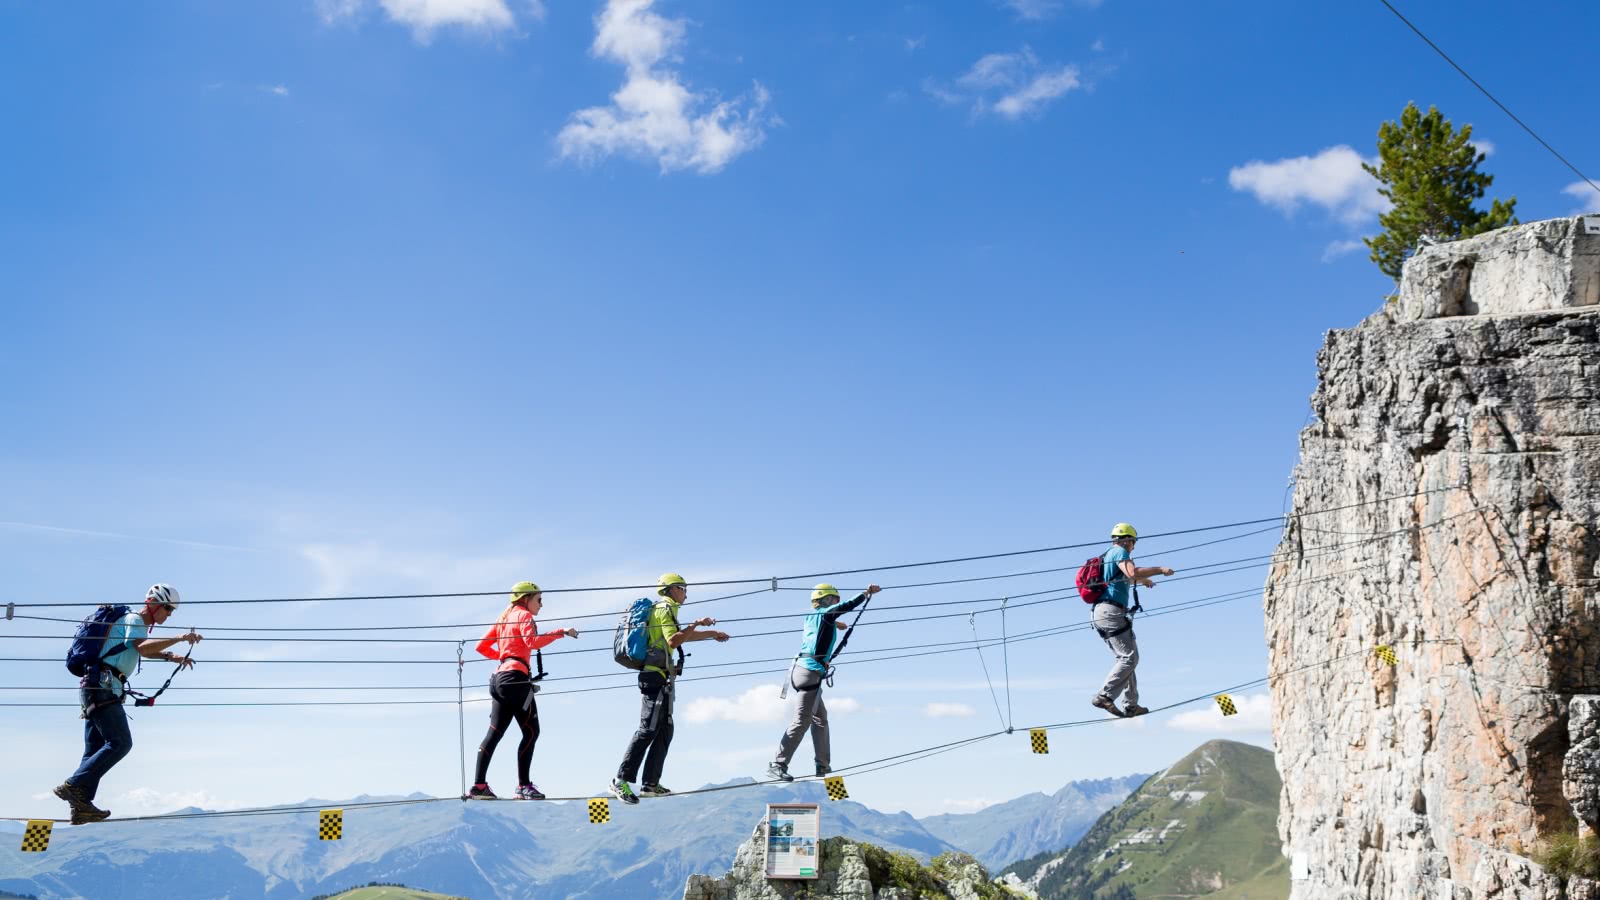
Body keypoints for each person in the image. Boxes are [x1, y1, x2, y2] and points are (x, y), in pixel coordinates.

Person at [55, 584, 202, 824]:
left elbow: (139, 648)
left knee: (94, 749)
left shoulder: (136, 625)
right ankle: (73, 785)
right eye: (168, 609)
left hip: (95, 687)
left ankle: (81, 805)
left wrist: (170, 656)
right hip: (103, 687)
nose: (169, 614)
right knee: (121, 743)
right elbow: (142, 648)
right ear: (154, 604)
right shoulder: (134, 619)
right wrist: (179, 638)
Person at [610, 573, 728, 804]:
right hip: (653, 675)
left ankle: (650, 784)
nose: (686, 593)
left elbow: (677, 637)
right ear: (672, 589)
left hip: (662, 676)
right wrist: (697, 623)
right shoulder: (665, 608)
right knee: (647, 729)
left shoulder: (667, 609)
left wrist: (711, 634)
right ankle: (620, 780)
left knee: (665, 729)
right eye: (683, 588)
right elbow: (674, 640)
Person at [468, 581, 578, 801]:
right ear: (526, 598)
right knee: (531, 731)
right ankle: (523, 786)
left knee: (494, 734)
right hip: (516, 680)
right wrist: (561, 632)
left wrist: (505, 657)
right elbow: (533, 641)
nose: (542, 604)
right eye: (539, 599)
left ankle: (479, 785)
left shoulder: (504, 618)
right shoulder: (524, 616)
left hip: (499, 679)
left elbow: (480, 647)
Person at [765, 583, 880, 783]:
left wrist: (835, 625)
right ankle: (778, 764)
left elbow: (819, 628)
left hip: (801, 670)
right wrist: (865, 594)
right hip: (810, 671)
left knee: (820, 719)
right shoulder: (827, 614)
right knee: (802, 720)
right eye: (834, 599)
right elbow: (845, 606)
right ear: (827, 599)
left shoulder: (812, 617)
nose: (835, 603)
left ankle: (823, 764)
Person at [1090, 523, 1173, 718]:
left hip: (1102, 612)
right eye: (1133, 543)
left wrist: (1144, 581)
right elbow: (1131, 572)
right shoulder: (1119, 552)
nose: (1133, 547)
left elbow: (1126, 578)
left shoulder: (1110, 555)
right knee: (1129, 658)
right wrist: (1160, 569)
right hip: (1111, 611)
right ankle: (1104, 695)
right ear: (1127, 540)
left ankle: (1131, 704)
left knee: (1127, 659)